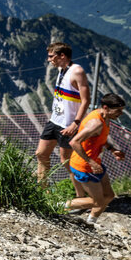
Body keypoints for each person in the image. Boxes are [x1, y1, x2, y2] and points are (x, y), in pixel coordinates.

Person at [35, 42, 90, 188]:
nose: (49, 60)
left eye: (51, 56)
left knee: (66, 161)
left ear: (62, 56)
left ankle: (82, 194)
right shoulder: (61, 68)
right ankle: (42, 191)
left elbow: (86, 100)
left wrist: (75, 123)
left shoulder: (77, 71)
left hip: (68, 124)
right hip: (54, 120)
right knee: (41, 154)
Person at [67, 93, 126, 225]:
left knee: (109, 196)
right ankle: (57, 204)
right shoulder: (96, 123)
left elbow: (99, 139)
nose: (121, 113)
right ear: (106, 107)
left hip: (94, 164)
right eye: (118, 110)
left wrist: (112, 150)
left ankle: (90, 223)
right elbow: (74, 142)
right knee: (97, 201)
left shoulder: (105, 117)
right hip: (85, 166)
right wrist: (91, 162)